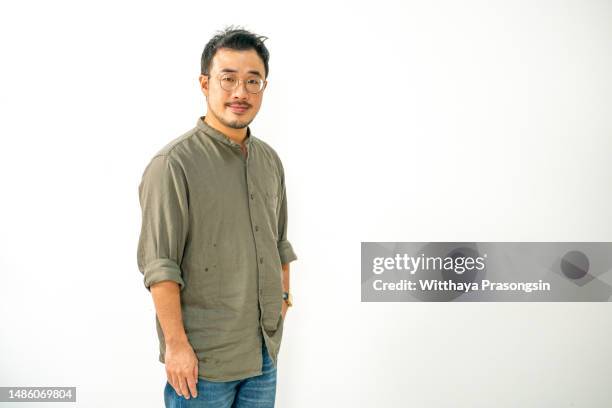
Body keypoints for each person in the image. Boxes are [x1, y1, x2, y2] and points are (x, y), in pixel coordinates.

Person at [136, 26, 298, 407]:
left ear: (263, 88)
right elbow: (160, 266)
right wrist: (176, 348)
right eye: (228, 79)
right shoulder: (173, 164)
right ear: (205, 83)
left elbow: (279, 243)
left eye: (252, 81)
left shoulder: (269, 160)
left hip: (262, 355)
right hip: (202, 365)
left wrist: (284, 302)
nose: (240, 92)